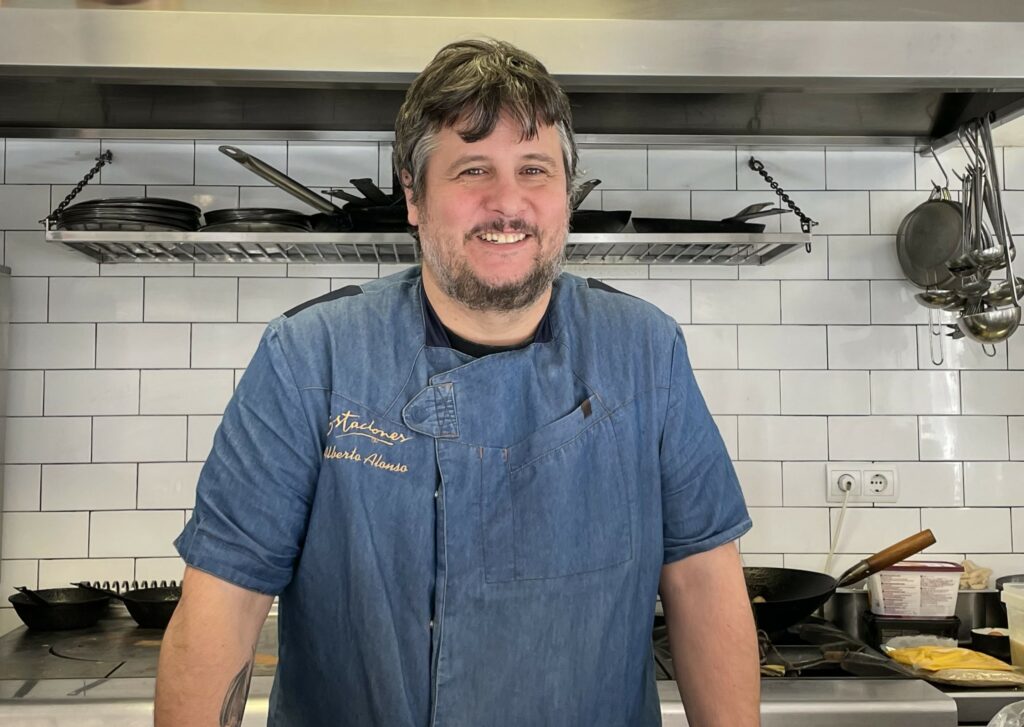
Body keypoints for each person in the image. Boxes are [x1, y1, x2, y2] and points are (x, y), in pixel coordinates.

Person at [155, 38, 759, 727]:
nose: (508, 204)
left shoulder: (645, 351)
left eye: (535, 170)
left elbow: (706, 585)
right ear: (413, 195)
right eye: (473, 170)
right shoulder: (310, 357)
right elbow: (222, 607)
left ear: (565, 192)